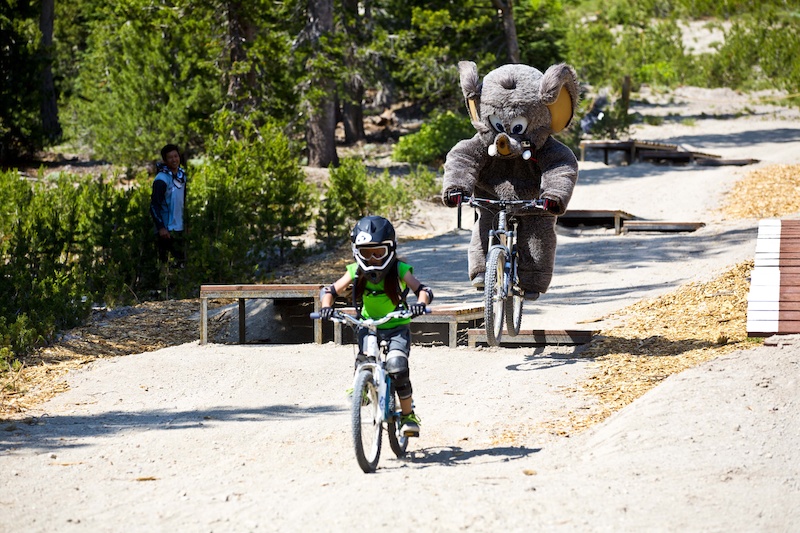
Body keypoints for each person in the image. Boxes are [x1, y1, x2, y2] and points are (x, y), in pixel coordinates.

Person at [319, 215, 433, 437]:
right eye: (366, 253)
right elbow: (330, 290)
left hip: (397, 326)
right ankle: (361, 384)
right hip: (369, 325)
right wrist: (326, 307)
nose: (372, 259)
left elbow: (423, 290)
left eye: (378, 252)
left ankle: (408, 416)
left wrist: (421, 304)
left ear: (390, 249)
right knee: (365, 356)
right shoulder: (354, 271)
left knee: (398, 367)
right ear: (356, 251)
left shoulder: (399, 269)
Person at [150, 143, 187, 268]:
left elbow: (184, 201)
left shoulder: (182, 176)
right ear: (165, 160)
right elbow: (154, 205)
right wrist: (161, 227)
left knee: (181, 262)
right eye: (170, 157)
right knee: (167, 264)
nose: (174, 160)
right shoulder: (161, 179)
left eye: (176, 156)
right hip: (167, 229)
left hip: (180, 227)